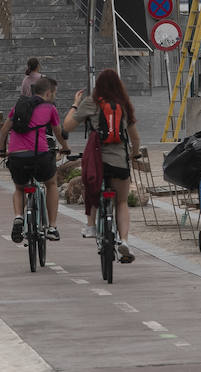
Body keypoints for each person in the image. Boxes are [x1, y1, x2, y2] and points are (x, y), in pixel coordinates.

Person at [64, 69, 142, 263]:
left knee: (90, 187)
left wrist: (75, 105)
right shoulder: (123, 105)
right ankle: (124, 240)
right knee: (122, 202)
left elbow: (67, 127)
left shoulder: (91, 102)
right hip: (119, 161)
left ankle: (91, 225)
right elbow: (135, 138)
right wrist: (134, 153)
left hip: (97, 162)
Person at [0, 76, 65, 243]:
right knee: (51, 184)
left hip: (17, 156)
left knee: (19, 188)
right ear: (48, 93)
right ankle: (52, 227)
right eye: (54, 93)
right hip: (40, 156)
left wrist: (2, 150)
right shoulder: (50, 108)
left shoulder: (18, 106)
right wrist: (66, 147)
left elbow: (4, 131)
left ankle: (19, 217)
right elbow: (58, 133)